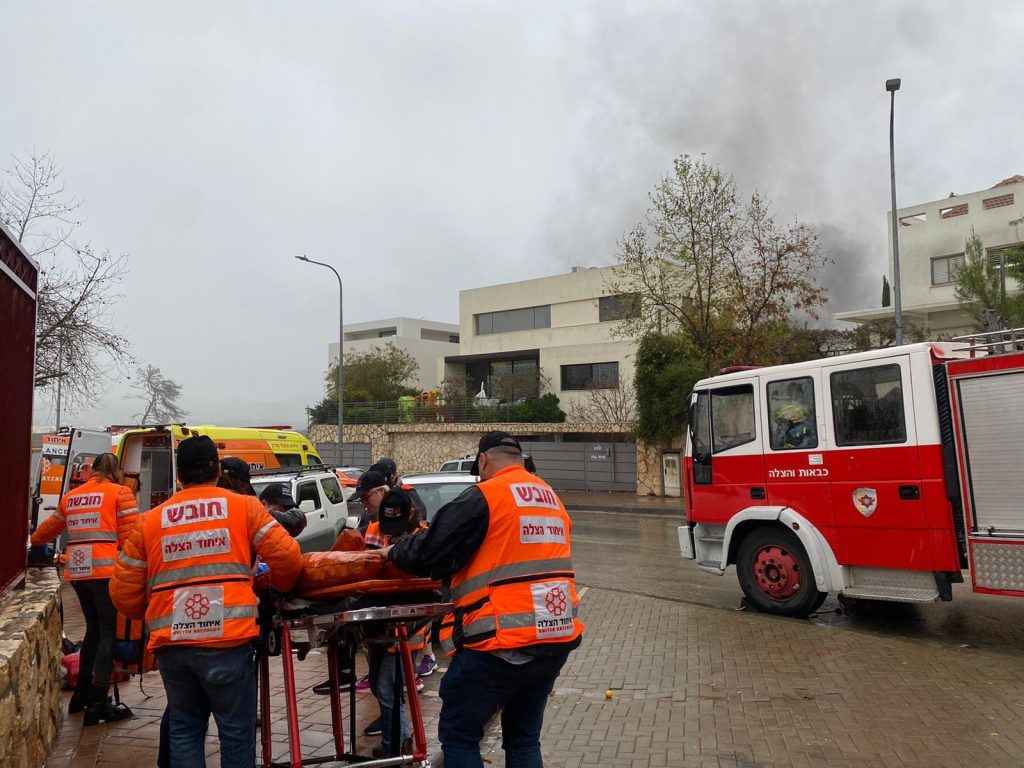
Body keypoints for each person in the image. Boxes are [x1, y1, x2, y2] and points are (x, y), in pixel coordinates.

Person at [387, 431, 584, 768]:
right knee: (523, 738)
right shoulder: (551, 497)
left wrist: (395, 551)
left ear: (483, 460)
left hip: (501, 641)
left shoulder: (486, 495)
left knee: (460, 736)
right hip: (556, 637)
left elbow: (431, 550)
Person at [110, 436, 302, 768]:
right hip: (228, 643)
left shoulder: (150, 521)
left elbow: (123, 593)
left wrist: (157, 610)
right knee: (236, 732)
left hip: (173, 646)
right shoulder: (244, 507)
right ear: (216, 469)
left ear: (179, 474)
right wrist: (277, 591)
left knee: (184, 728)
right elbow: (288, 559)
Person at [30, 452, 139, 724]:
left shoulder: (72, 497)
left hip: (78, 572)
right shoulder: (120, 493)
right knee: (106, 633)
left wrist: (31, 542)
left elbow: (47, 531)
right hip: (105, 571)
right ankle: (99, 700)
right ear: (116, 471)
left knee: (93, 630)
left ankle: (81, 695)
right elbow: (132, 538)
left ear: (92, 470)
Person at [364, 488, 428, 758]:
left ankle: (395, 746)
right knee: (383, 687)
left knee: (389, 690)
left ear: (410, 516)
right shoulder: (374, 530)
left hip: (407, 625)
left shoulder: (422, 536)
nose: (391, 533)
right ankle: (397, 741)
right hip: (378, 622)